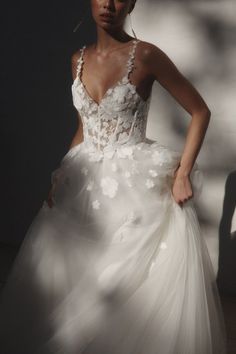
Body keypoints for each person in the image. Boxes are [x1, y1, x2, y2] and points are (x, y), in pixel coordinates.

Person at [0, 0, 227, 353]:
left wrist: (183, 172)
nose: (109, 3)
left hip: (134, 186)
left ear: (132, 3)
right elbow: (84, 128)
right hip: (84, 177)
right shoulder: (77, 60)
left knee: (125, 284)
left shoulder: (147, 55)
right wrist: (62, 172)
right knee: (69, 279)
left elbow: (200, 110)